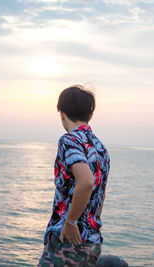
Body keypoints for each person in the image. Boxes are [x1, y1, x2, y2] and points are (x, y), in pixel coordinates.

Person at [38, 85, 110, 266]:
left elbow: (86, 182)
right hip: (91, 241)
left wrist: (71, 222)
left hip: (68, 243)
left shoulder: (69, 141)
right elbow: (100, 194)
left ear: (61, 113)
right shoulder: (100, 148)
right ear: (90, 115)